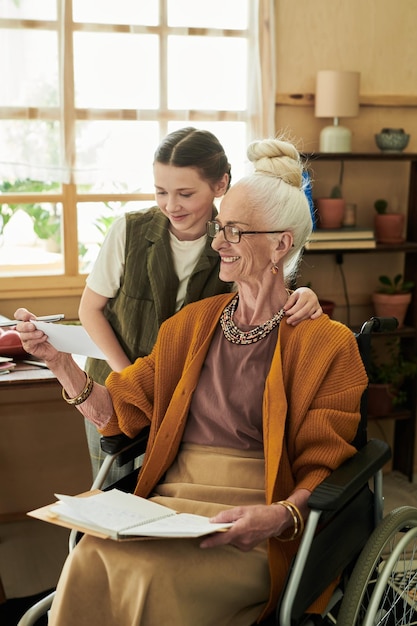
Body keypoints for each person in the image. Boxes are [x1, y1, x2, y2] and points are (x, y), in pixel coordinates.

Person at [15, 135, 368, 626]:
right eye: (221, 228)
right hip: (169, 508)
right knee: (91, 557)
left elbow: (324, 463)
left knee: (149, 577)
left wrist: (281, 515)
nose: (218, 241)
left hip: (252, 521)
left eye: (235, 232)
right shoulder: (191, 324)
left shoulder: (327, 345)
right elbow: (117, 412)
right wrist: (59, 362)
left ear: (281, 244)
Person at [78, 126, 323, 485]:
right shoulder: (130, 231)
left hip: (185, 403)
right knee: (110, 496)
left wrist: (305, 296)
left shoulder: (233, 241)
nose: (171, 205)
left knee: (158, 494)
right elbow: (89, 310)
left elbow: (266, 297)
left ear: (220, 186)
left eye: (185, 193)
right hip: (115, 387)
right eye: (161, 191)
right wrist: (131, 377)